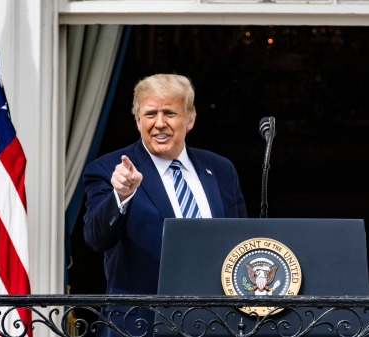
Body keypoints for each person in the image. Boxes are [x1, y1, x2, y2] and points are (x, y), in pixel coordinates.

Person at [82, 73, 248, 337]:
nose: (159, 124)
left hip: (217, 323)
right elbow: (96, 238)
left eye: (170, 113)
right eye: (150, 114)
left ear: (190, 119)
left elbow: (242, 242)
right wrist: (121, 196)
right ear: (137, 120)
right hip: (140, 326)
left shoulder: (220, 169)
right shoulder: (108, 169)